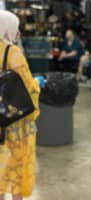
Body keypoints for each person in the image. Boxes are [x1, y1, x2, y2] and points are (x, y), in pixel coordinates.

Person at [0, 11, 40, 200]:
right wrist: (38, 83)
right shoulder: (12, 52)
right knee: (17, 163)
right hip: (14, 120)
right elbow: (27, 85)